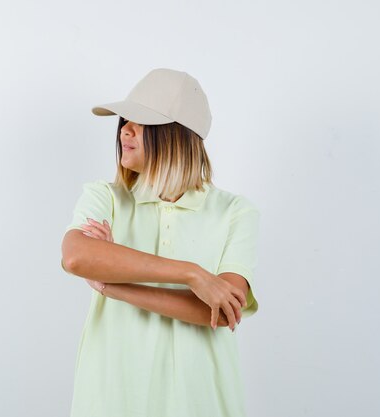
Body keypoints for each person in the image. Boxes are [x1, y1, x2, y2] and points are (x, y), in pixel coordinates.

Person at [60, 68, 261, 417]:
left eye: (140, 121)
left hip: (200, 402)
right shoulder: (104, 197)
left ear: (178, 135)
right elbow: (76, 257)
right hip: (112, 399)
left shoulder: (234, 212)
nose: (125, 129)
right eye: (124, 120)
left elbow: (216, 311)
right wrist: (192, 275)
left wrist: (112, 284)